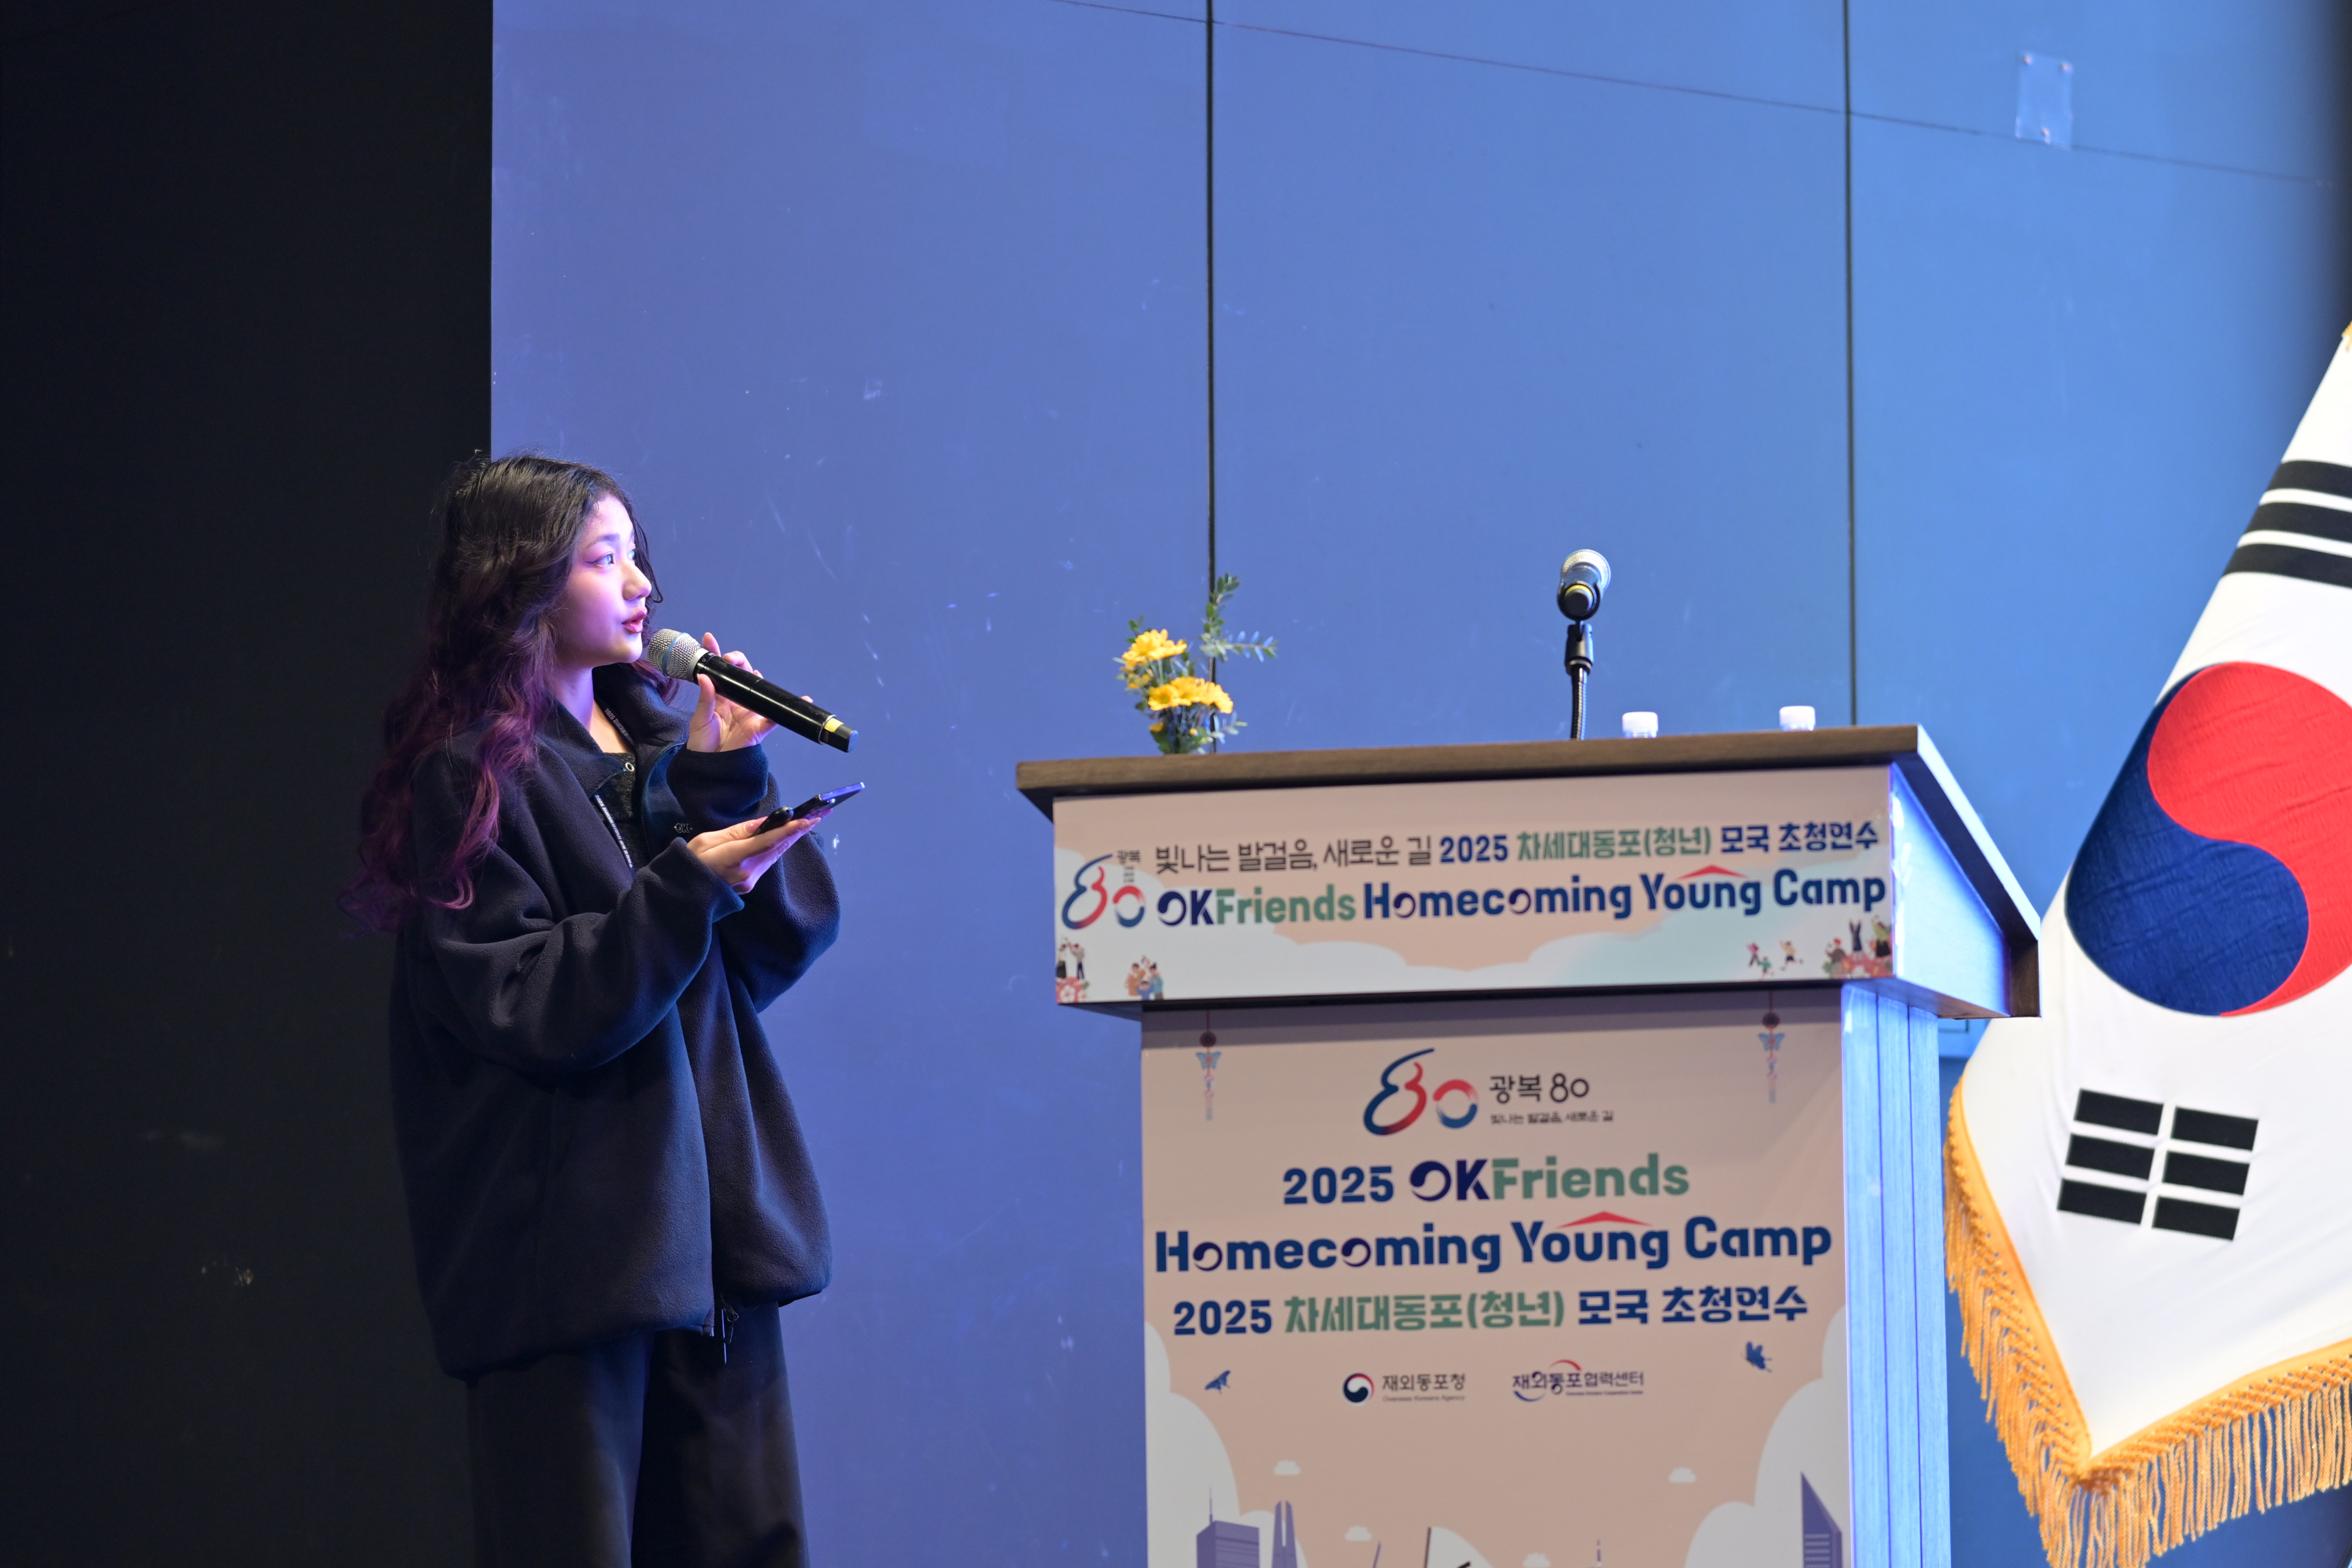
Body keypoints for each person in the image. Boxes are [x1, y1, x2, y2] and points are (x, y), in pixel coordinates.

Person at [346, 454, 839, 1567]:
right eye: (602, 559)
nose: (640, 586)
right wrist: (686, 887)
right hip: (576, 1266)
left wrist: (727, 783)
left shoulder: (667, 756)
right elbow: (531, 1002)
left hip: (714, 1254)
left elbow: (773, 951)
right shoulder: (475, 778)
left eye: (636, 557)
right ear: (521, 583)